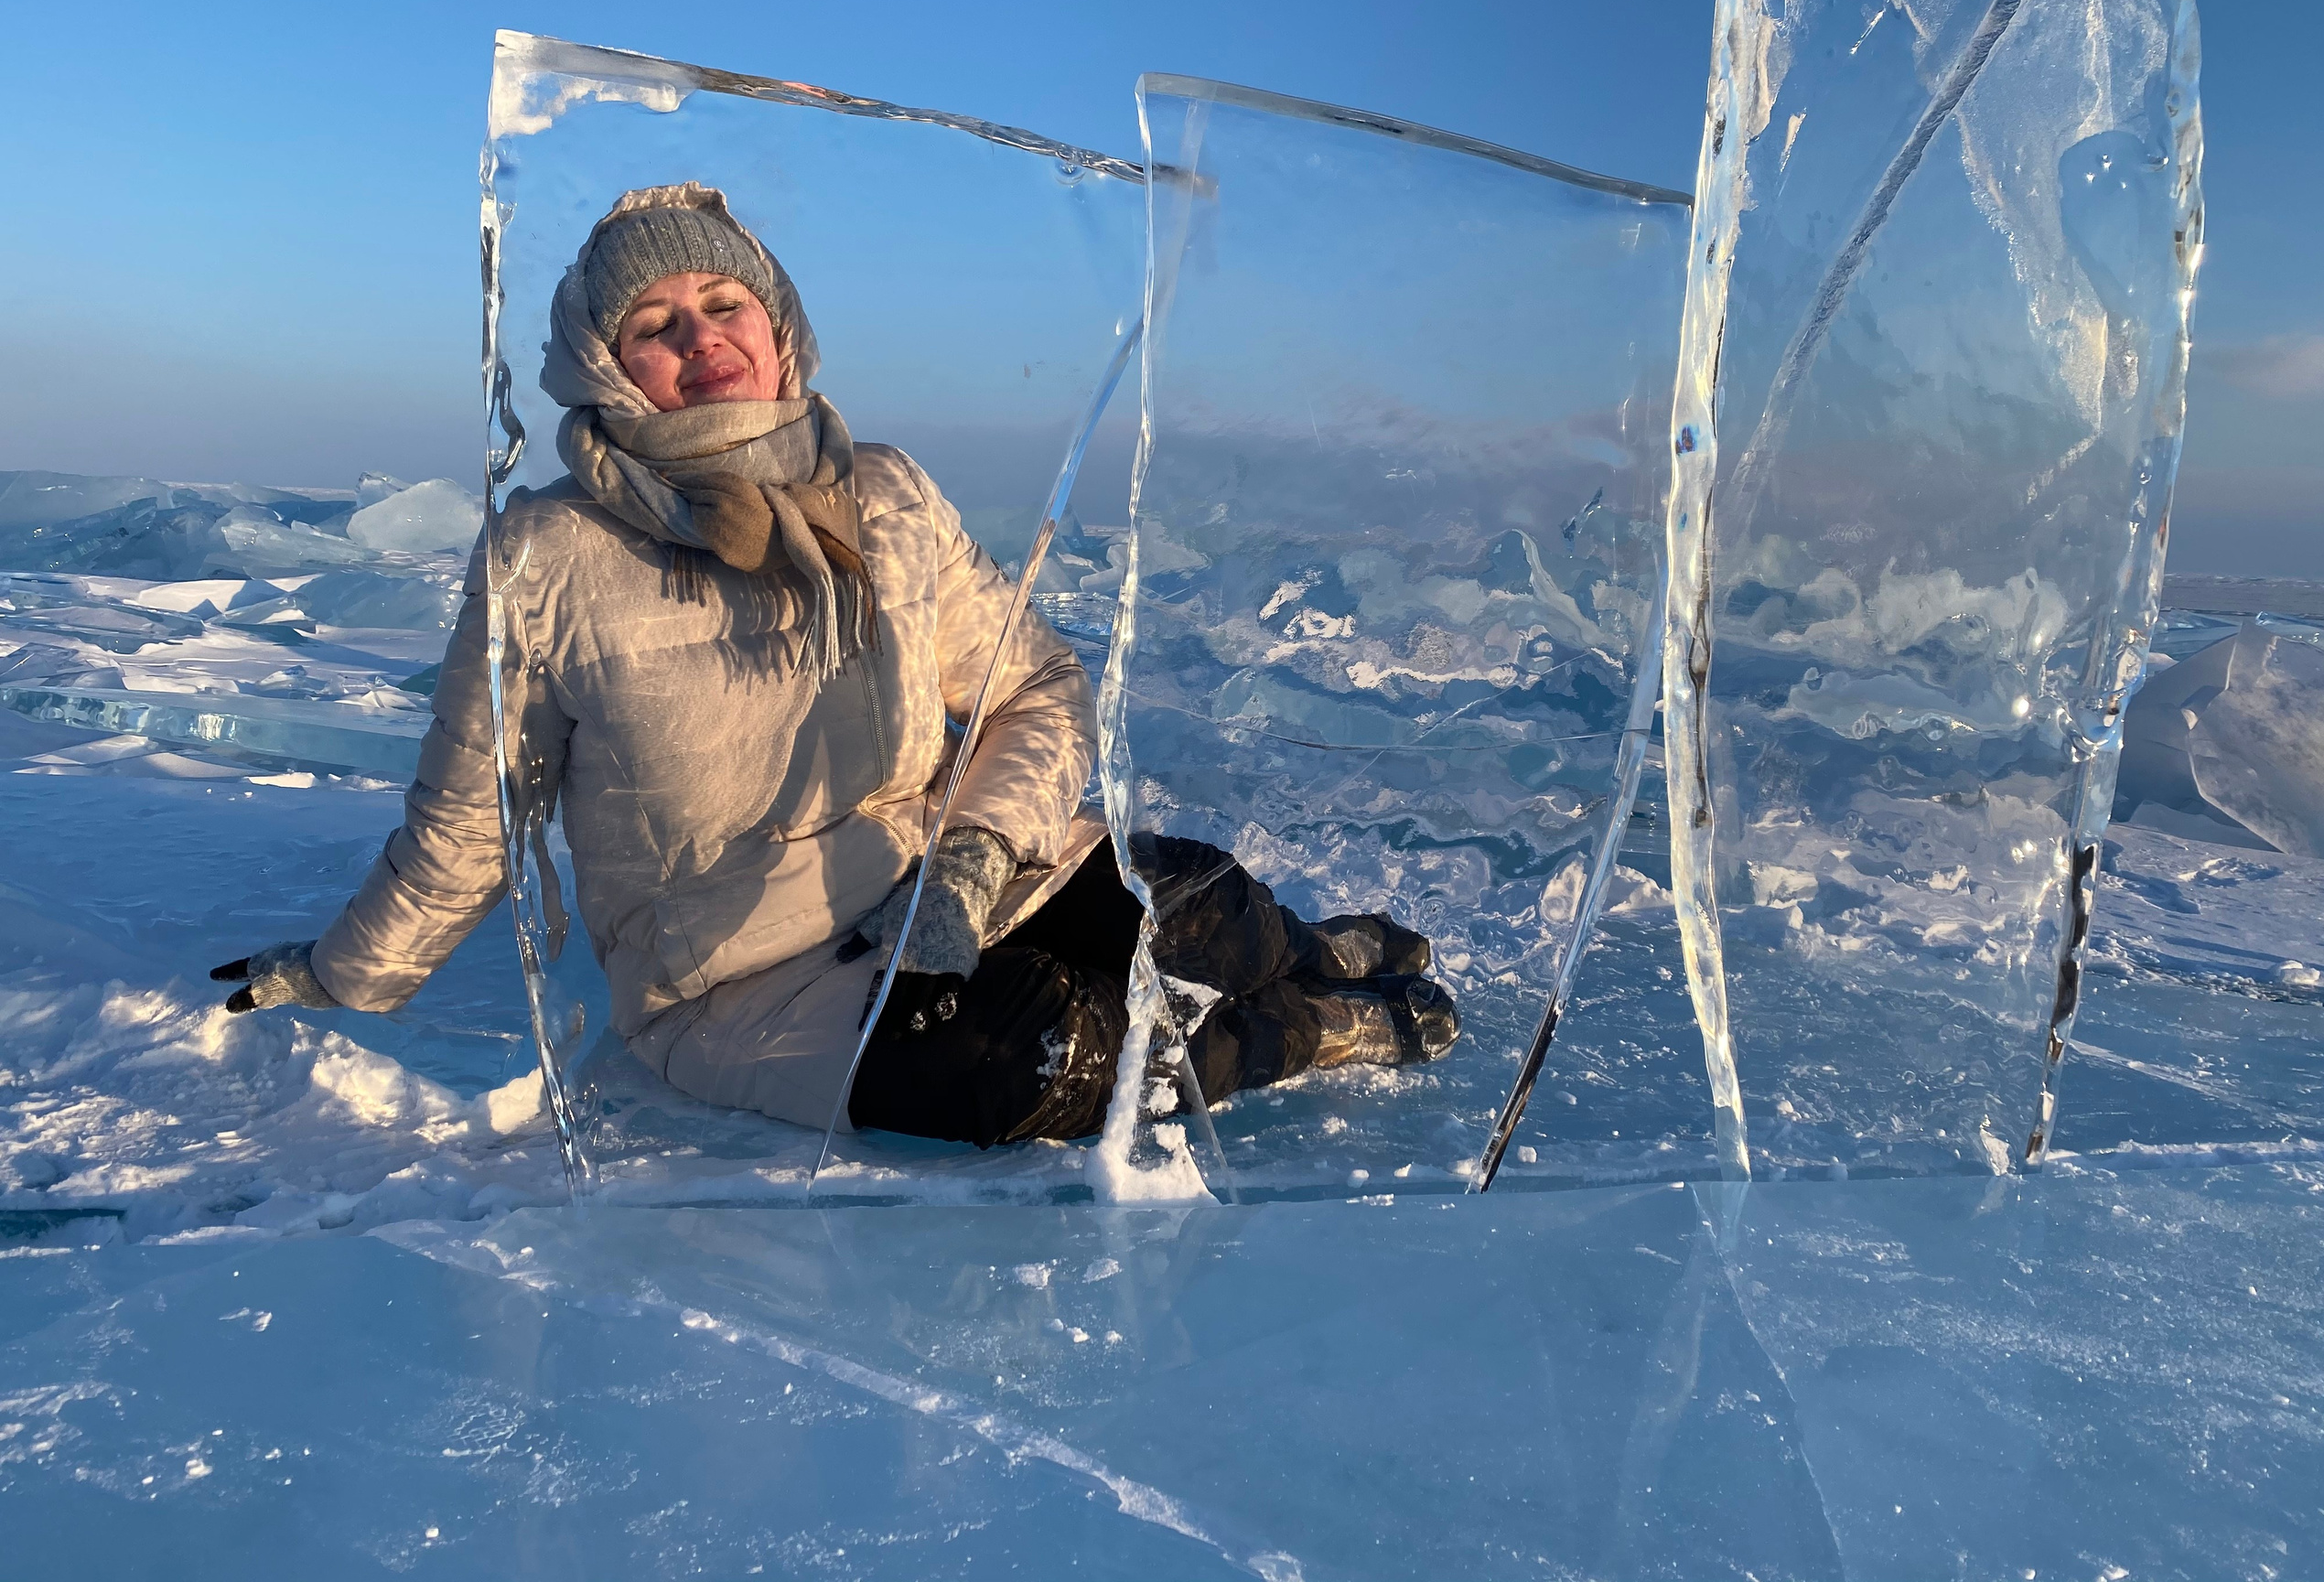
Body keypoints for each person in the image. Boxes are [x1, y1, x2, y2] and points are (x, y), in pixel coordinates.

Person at [211, 183, 1457, 1148]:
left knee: (1207, 905)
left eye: (725, 304)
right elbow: (473, 821)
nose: (703, 339)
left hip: (935, 886)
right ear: (605, 367)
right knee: (1040, 1057)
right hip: (740, 981)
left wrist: (975, 857)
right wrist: (338, 974)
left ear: (779, 325)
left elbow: (1036, 688)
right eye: (655, 325)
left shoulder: (887, 496)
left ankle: (1301, 953)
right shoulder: (549, 557)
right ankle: (1312, 1028)